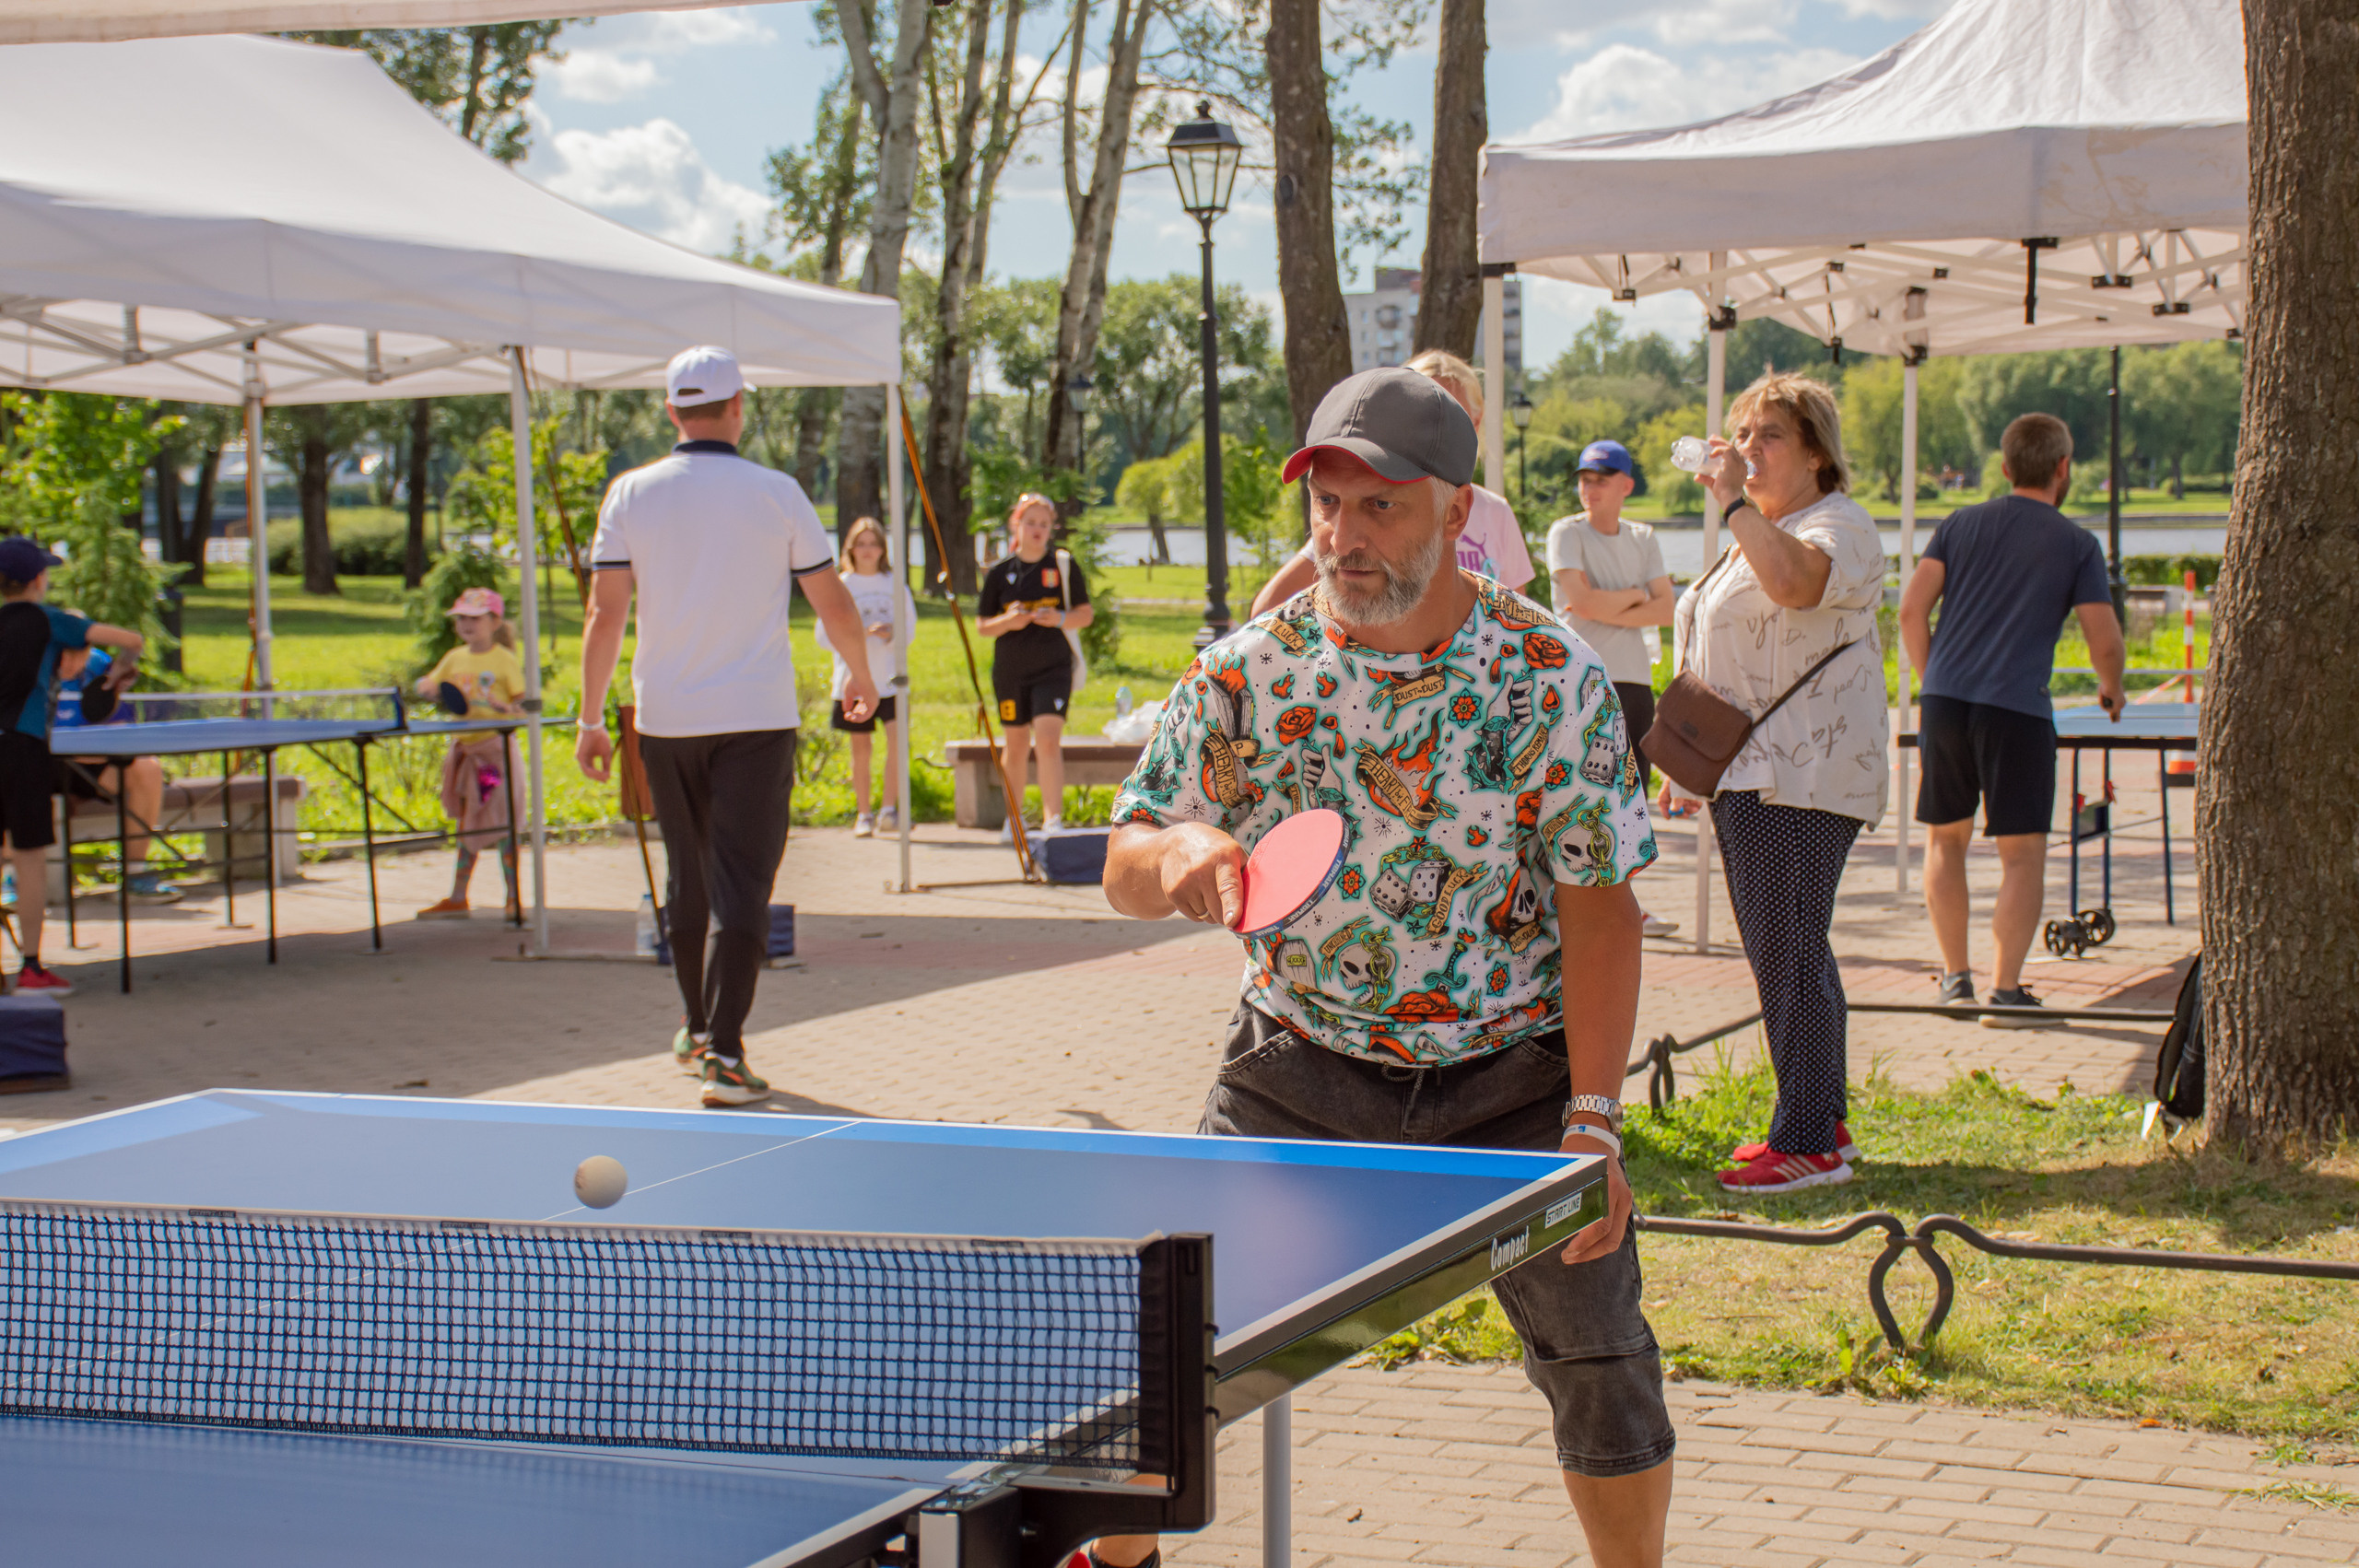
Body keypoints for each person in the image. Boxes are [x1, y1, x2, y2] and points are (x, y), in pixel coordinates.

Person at [1103, 367, 1672, 1568]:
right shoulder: (1249, 668)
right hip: (1298, 1064)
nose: (1344, 536)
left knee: (1604, 1363)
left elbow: (1600, 906)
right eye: (1329, 505)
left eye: (1381, 508)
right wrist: (1183, 851)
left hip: (1515, 1079)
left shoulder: (1548, 673)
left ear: (1457, 513)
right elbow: (1127, 853)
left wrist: (1596, 1114)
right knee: (1158, 1362)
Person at [575, 345, 879, 1108]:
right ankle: (726, 1054)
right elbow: (831, 600)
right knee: (743, 882)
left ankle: (695, 1025)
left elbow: (603, 614)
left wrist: (589, 717)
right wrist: (863, 677)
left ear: (672, 410)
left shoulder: (630, 495)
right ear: (739, 406)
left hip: (666, 718)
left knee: (687, 875)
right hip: (755, 717)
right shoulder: (776, 492)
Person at [1662, 372, 1887, 1196]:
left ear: (1818, 453)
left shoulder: (1839, 526)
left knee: (1786, 949)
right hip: (1751, 772)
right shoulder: (1758, 530)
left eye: (1770, 437)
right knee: (1792, 947)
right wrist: (1687, 761)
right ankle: (1819, 1118)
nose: (1748, 450)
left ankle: (1806, 1142)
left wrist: (1733, 507)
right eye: (1743, 435)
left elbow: (1794, 586)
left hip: (1804, 773)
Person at [1901, 413, 2125, 1025]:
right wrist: (2111, 687)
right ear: (2063, 469)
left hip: (1946, 704)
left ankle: (1955, 979)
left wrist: (1934, 681)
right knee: (2021, 854)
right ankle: (2005, 991)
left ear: (2004, 468)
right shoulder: (2077, 544)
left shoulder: (1957, 524)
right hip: (2018, 709)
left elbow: (1910, 611)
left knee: (1946, 839)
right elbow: (2102, 636)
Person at [1248, 348, 1535, 615]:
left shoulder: (1496, 511)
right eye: (1326, 500)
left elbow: (1512, 614)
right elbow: (1269, 605)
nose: (1342, 539)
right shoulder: (1347, 530)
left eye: (1382, 504)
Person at [0, 537, 147, 996]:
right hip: (22, 749)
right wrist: (119, 672)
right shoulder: (49, 621)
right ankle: (30, 969)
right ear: (39, 580)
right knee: (29, 859)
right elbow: (132, 640)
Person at [1547, 439, 1678, 938]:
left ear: (1626, 485)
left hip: (1635, 681)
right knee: (1579, 795)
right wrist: (1632, 596)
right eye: (1583, 478)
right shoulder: (1567, 531)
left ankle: (1630, 904)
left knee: (1631, 799)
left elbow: (1667, 609)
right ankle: (1571, 905)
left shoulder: (1642, 537)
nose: (1589, 487)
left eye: (1601, 479)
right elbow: (1581, 604)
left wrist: (1612, 604)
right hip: (1581, 679)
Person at [976, 492, 1092, 837]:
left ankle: (1052, 819)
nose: (1037, 529)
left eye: (1044, 523)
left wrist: (1057, 617)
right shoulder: (1000, 573)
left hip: (1053, 669)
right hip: (1011, 671)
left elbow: (1084, 615)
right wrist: (1008, 622)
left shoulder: (1062, 566)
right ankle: (1013, 818)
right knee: (1015, 744)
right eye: (1031, 522)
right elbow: (983, 626)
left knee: (1047, 739)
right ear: (1017, 525)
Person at [413, 586, 524, 922]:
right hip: (465, 753)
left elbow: (522, 704)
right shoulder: (454, 657)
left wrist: (507, 707)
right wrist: (427, 687)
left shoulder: (505, 659)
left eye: (474, 618)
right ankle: (458, 897)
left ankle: (513, 898)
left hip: (496, 755)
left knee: (505, 826)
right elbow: (429, 684)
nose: (466, 624)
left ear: (494, 621)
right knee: (467, 825)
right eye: (461, 618)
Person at [812, 516, 914, 837]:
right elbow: (823, 634)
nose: (868, 550)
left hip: (890, 678)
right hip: (854, 678)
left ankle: (889, 809)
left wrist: (890, 633)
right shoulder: (842, 585)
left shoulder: (894, 585)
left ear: (883, 549)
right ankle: (864, 813)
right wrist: (856, 635)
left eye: (874, 543)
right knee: (862, 749)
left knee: (897, 743)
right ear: (851, 548)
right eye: (862, 544)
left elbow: (909, 629)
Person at [53, 647, 180, 904]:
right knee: (14, 771)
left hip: (94, 761)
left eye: (80, 651)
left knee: (148, 768)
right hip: (40, 762)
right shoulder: (29, 663)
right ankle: (10, 879)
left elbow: (122, 728)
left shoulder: (101, 666)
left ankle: (135, 877)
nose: (72, 659)